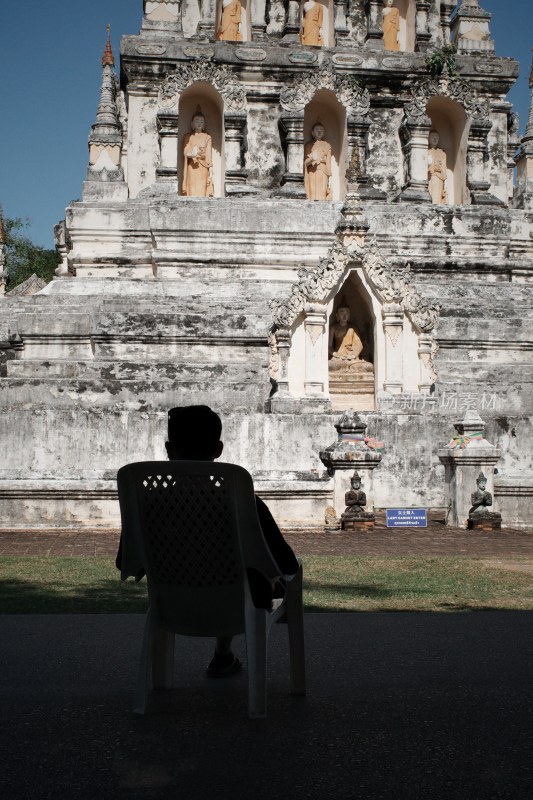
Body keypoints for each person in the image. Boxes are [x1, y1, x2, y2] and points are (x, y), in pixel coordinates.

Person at [116, 405, 298, 678]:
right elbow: (285, 563)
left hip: (172, 604)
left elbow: (125, 563)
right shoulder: (244, 504)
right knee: (247, 575)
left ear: (169, 449)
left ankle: (217, 659)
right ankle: (222, 654)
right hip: (237, 607)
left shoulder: (149, 505)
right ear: (218, 449)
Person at [182, 107, 214, 197]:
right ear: (192, 123)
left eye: (201, 121)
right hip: (192, 165)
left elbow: (209, 156)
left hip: (203, 166)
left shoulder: (207, 137)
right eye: (197, 121)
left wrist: (211, 172)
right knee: (192, 187)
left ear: (204, 124)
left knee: (202, 187)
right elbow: (185, 151)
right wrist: (191, 154)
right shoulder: (188, 136)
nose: (199, 123)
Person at [304, 122, 332, 201]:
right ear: (312, 132)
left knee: (322, 191)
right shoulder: (308, 145)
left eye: (321, 130)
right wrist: (311, 159)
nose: (319, 132)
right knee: (312, 191)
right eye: (317, 130)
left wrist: (330, 177)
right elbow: (305, 162)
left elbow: (328, 163)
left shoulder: (327, 145)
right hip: (312, 171)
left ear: (324, 132)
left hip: (323, 171)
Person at [427, 130, 448, 205]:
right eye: (432, 137)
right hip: (429, 178)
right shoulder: (426, 151)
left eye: (437, 137)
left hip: (439, 178)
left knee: (437, 200)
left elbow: (444, 168)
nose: (435, 139)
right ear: (428, 138)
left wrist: (446, 184)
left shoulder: (442, 152)